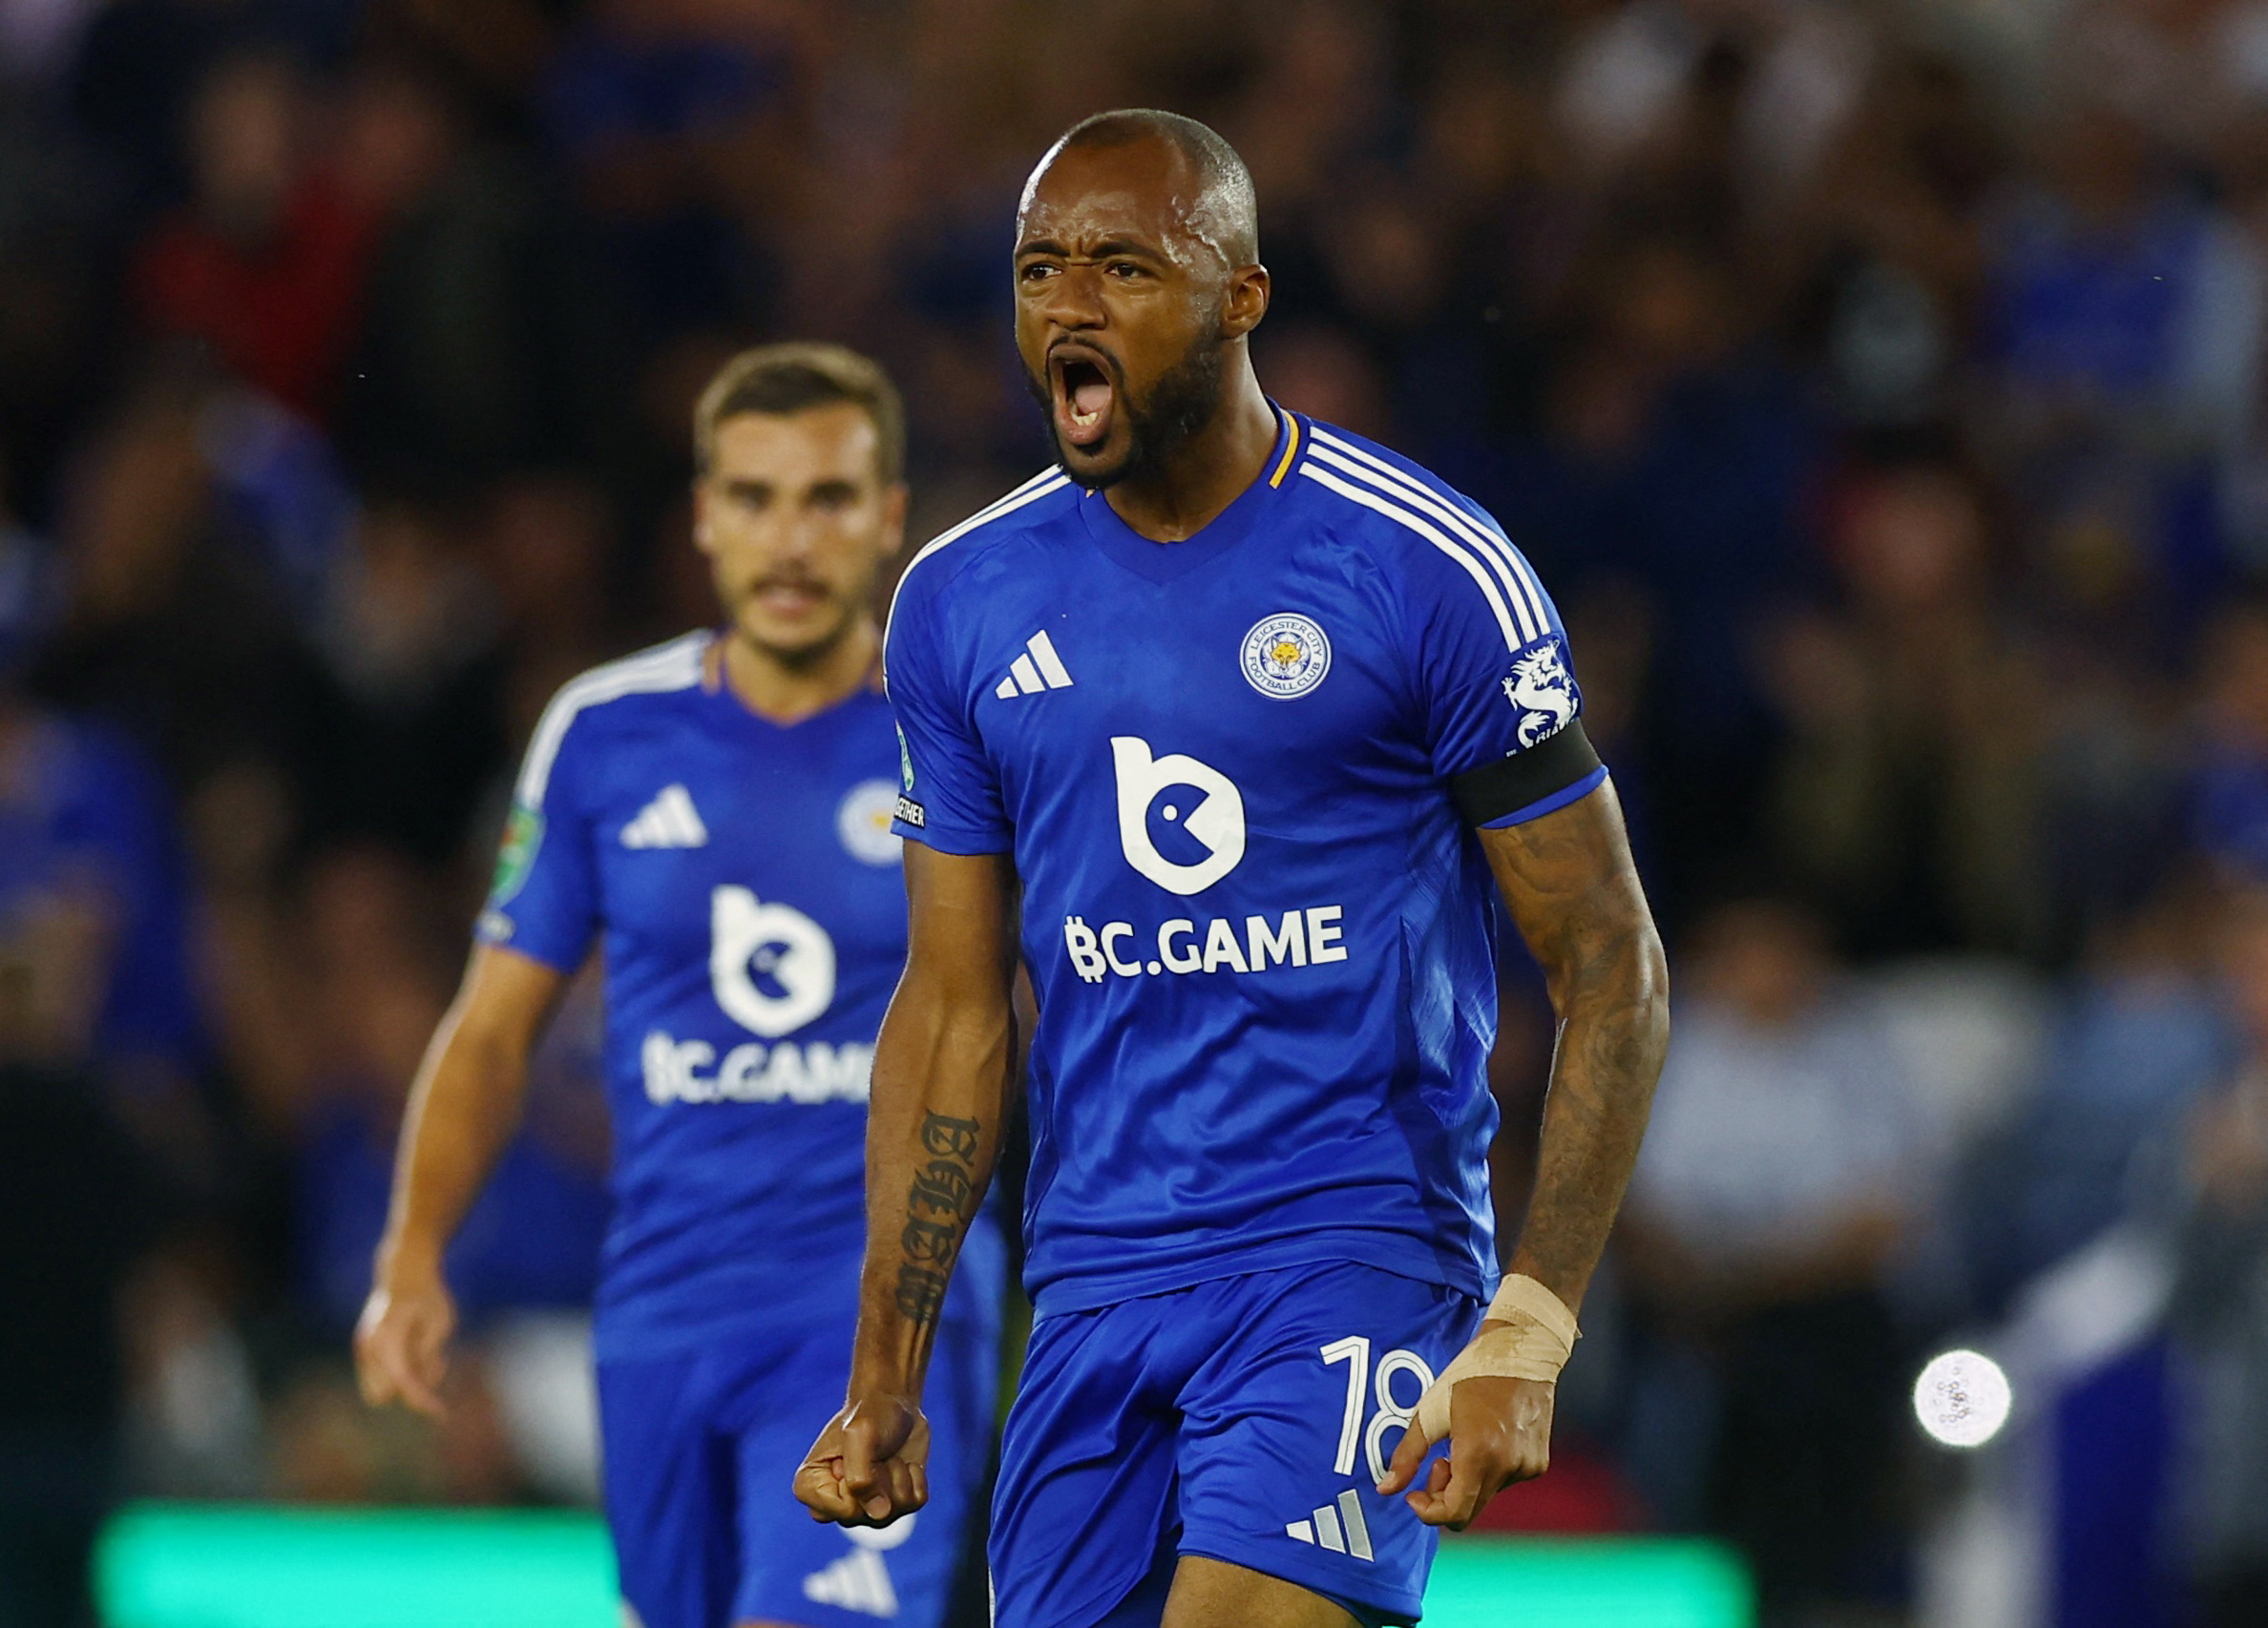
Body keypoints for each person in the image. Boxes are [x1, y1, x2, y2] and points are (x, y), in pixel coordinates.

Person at [793, 111, 1668, 1628]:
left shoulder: (1423, 571)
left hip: (1348, 1245)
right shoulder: (958, 604)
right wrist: (887, 1367)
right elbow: (951, 1011)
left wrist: (1530, 1317)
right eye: (1040, 268)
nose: (1070, 305)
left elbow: (1611, 966)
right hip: (1094, 1280)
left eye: (1123, 266)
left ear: (1242, 296)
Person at [354, 344, 1005, 1628]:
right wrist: (412, 1252)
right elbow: (491, 1033)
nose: (791, 538)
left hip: (878, 1317)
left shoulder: (963, 733)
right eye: (755, 497)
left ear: (886, 516)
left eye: (827, 498)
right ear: (704, 516)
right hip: (660, 1315)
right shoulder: (603, 734)